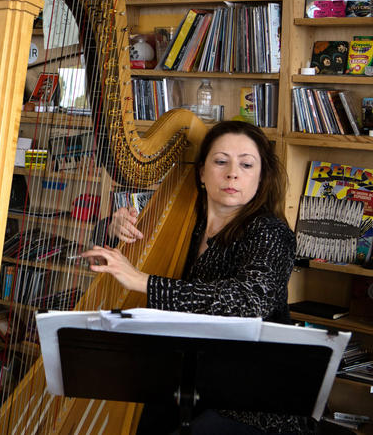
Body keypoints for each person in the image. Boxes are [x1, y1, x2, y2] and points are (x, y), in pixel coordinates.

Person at [82, 121, 310, 434]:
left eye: (246, 164)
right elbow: (107, 253)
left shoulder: (270, 232)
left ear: (260, 177)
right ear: (201, 172)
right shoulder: (182, 216)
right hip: (180, 379)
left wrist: (144, 282)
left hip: (250, 398)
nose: (232, 173)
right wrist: (111, 228)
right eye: (221, 161)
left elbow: (248, 302)